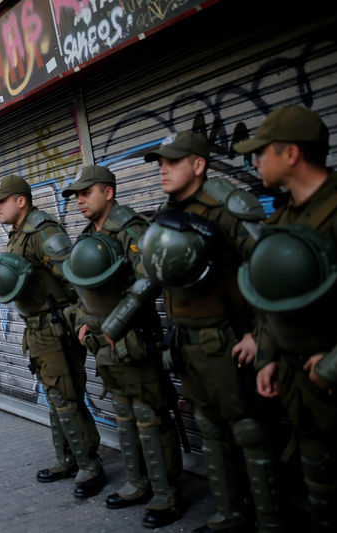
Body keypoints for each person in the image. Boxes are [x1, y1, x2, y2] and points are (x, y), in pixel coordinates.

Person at [102, 131, 283, 532]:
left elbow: (272, 270)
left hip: (229, 341)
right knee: (210, 430)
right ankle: (228, 514)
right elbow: (149, 274)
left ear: (198, 165)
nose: (162, 170)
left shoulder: (228, 205)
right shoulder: (170, 210)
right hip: (187, 342)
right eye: (159, 163)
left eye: (172, 162)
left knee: (249, 431)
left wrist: (260, 335)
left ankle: (270, 522)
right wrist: (115, 324)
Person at [234, 105, 337, 531]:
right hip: (302, 384)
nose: (255, 161)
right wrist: (267, 356)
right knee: (321, 491)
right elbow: (270, 302)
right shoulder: (283, 219)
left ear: (292, 154)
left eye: (262, 151)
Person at [61, 165, 183, 527]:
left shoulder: (131, 228)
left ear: (108, 193)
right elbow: (80, 285)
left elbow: (150, 279)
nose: (80, 200)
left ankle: (166, 494)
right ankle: (137, 482)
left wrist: (116, 324)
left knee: (150, 415)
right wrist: (81, 321)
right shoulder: (87, 234)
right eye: (76, 195)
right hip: (103, 344)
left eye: (87, 193)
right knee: (124, 414)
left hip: (135, 341)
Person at [0, 175, 106, 500]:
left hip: (55, 328)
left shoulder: (42, 232)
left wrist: (82, 318)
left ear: (20, 201)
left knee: (66, 397)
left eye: (1, 201)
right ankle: (67, 460)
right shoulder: (19, 235)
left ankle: (89, 466)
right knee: (55, 397)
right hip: (37, 330)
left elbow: (76, 275)